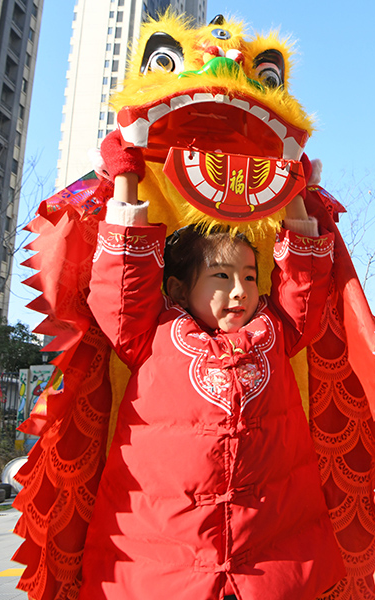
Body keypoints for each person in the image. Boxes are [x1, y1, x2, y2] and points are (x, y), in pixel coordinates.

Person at [78, 170, 346, 599]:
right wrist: (127, 176)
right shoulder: (147, 332)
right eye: (221, 277)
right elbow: (124, 275)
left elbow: (304, 280)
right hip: (166, 552)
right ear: (178, 290)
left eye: (250, 277)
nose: (240, 291)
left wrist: (293, 187)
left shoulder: (276, 331)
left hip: (269, 549)